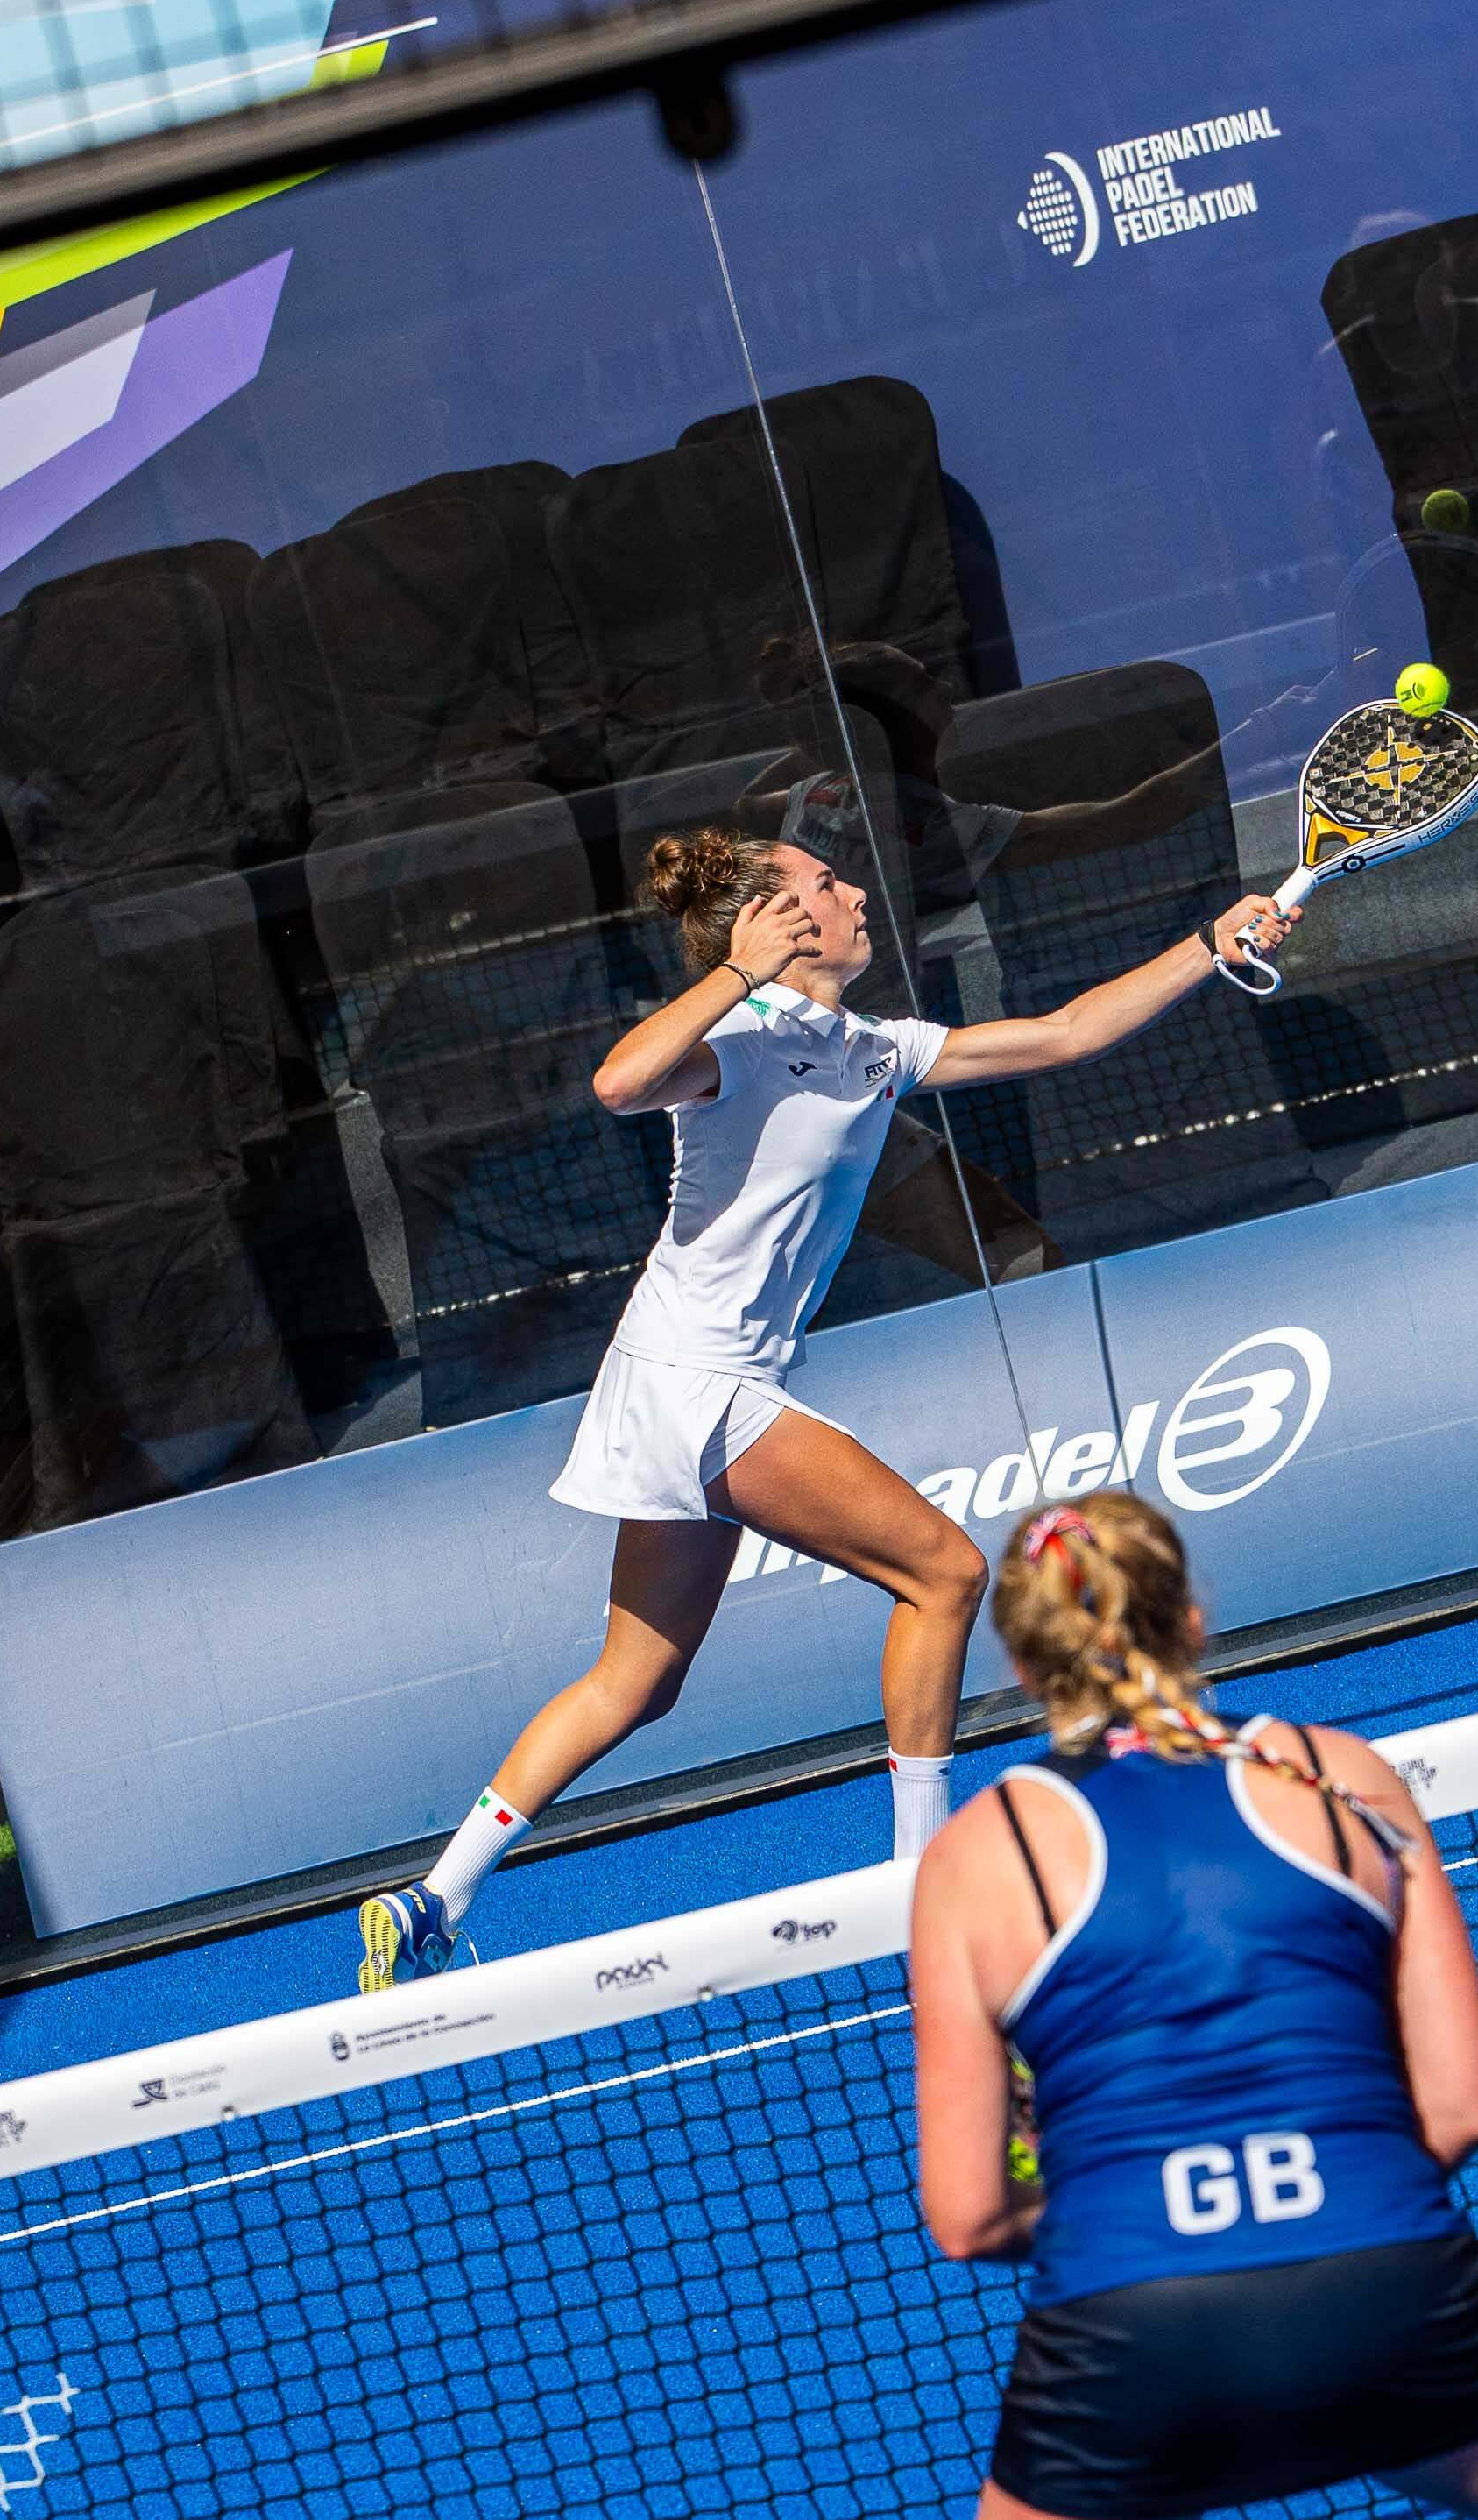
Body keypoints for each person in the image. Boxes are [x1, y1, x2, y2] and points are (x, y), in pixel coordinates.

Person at [355, 833, 1295, 1990]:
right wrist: (735, 972)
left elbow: (1064, 1033)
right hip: (700, 1379)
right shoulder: (739, 1038)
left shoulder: (871, 1047)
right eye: (825, 884)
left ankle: (433, 1896)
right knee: (945, 1573)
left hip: (682, 1378)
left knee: (637, 1679)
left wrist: (1208, 944)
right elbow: (618, 1083)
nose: (853, 892)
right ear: (780, 926)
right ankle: (915, 1879)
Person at [909, 1494, 1478, 2520]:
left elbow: (970, 2216)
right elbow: (1458, 2110)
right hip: (1393, 2292)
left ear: (1021, 1659)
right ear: (1191, 1618)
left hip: (1129, 2336)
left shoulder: (974, 1856)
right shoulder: (1335, 1775)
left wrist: (1143, 2208)